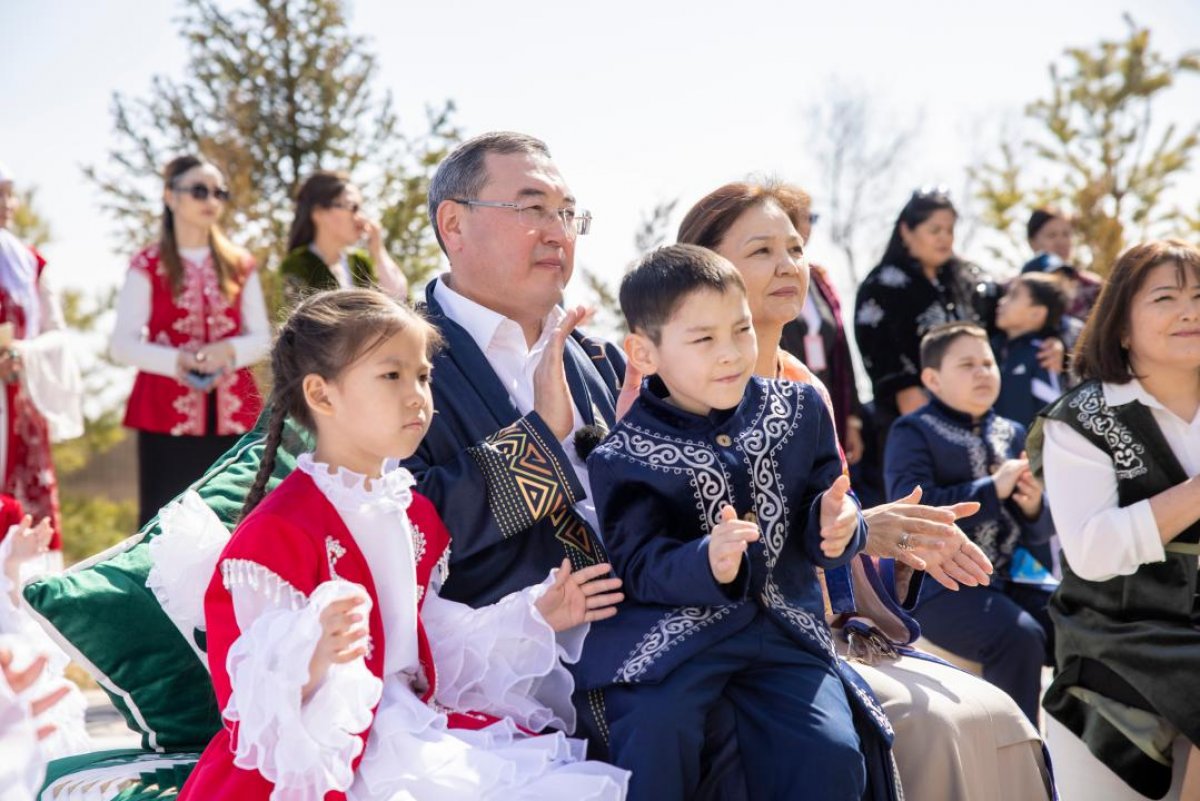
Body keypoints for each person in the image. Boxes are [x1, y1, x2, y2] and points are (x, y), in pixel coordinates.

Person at [678, 180, 1053, 801]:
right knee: (935, 724)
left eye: (795, 249)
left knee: (1001, 717)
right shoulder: (673, 384)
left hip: (830, 626)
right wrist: (861, 530)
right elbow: (696, 543)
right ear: (705, 266)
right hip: (742, 639)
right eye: (762, 250)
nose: (787, 265)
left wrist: (889, 542)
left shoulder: (808, 389)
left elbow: (834, 534)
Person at [177, 289, 629, 800]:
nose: (417, 395)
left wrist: (534, 616)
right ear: (322, 396)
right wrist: (312, 655)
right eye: (392, 376)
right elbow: (254, 697)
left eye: (423, 376)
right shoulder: (278, 532)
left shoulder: (410, 513)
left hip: (411, 727)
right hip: (332, 755)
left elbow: (428, 644)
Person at [582, 243, 885, 800]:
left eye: (741, 330)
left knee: (834, 753)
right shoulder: (623, 454)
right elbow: (639, 564)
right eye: (703, 339)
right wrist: (708, 561)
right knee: (654, 739)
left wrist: (841, 525)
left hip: (787, 629)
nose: (731, 353)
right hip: (676, 638)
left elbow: (829, 503)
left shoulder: (800, 410)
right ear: (643, 352)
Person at [1035, 239, 1200, 799]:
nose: (1190, 311)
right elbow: (1092, 551)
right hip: (1122, 625)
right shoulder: (1082, 419)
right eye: (1166, 297)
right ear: (1122, 326)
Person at [885, 322, 1055, 724]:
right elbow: (910, 512)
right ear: (932, 379)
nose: (982, 372)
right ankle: (1018, 765)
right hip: (936, 587)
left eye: (987, 362)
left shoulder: (1012, 432)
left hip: (1009, 580)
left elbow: (1041, 531)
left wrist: (1032, 507)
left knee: (1080, 619)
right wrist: (992, 489)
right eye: (967, 365)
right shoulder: (912, 430)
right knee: (1019, 637)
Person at [111, 156, 270, 526]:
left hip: (233, 418)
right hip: (164, 417)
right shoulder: (147, 264)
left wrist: (227, 351)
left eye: (219, 192)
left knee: (232, 520)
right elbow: (122, 344)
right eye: (199, 190)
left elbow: (262, 339)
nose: (211, 200)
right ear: (170, 196)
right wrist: (177, 361)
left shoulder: (239, 263)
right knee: (161, 522)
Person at [855, 190, 1063, 444]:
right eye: (935, 230)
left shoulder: (973, 279)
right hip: (916, 428)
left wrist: (1052, 339)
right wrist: (940, 434)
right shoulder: (880, 288)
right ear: (906, 231)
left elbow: (1017, 316)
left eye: (950, 230)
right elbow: (893, 376)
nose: (945, 238)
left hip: (988, 418)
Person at [0, 162, 83, 553]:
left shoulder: (28, 263)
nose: (7, 203)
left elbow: (57, 335)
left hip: (21, 403)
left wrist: (23, 352)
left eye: (9, 193)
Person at [777, 190, 865, 466]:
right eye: (807, 217)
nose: (810, 226)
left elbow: (841, 344)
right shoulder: (767, 278)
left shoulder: (818, 278)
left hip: (826, 395)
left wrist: (853, 417)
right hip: (783, 400)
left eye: (813, 218)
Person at [279, 170, 408, 302]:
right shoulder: (296, 265)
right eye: (353, 208)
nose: (361, 218)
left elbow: (399, 302)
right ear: (319, 213)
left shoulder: (360, 262)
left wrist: (378, 251)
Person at [993, 273, 1068, 428]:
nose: (1001, 302)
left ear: (1037, 313)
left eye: (1013, 296)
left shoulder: (1043, 355)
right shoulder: (993, 347)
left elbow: (1054, 418)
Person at [1021, 206, 1102, 327]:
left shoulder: (1092, 287)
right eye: (1052, 235)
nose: (1061, 242)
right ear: (1032, 242)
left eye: (1066, 234)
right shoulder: (1014, 288)